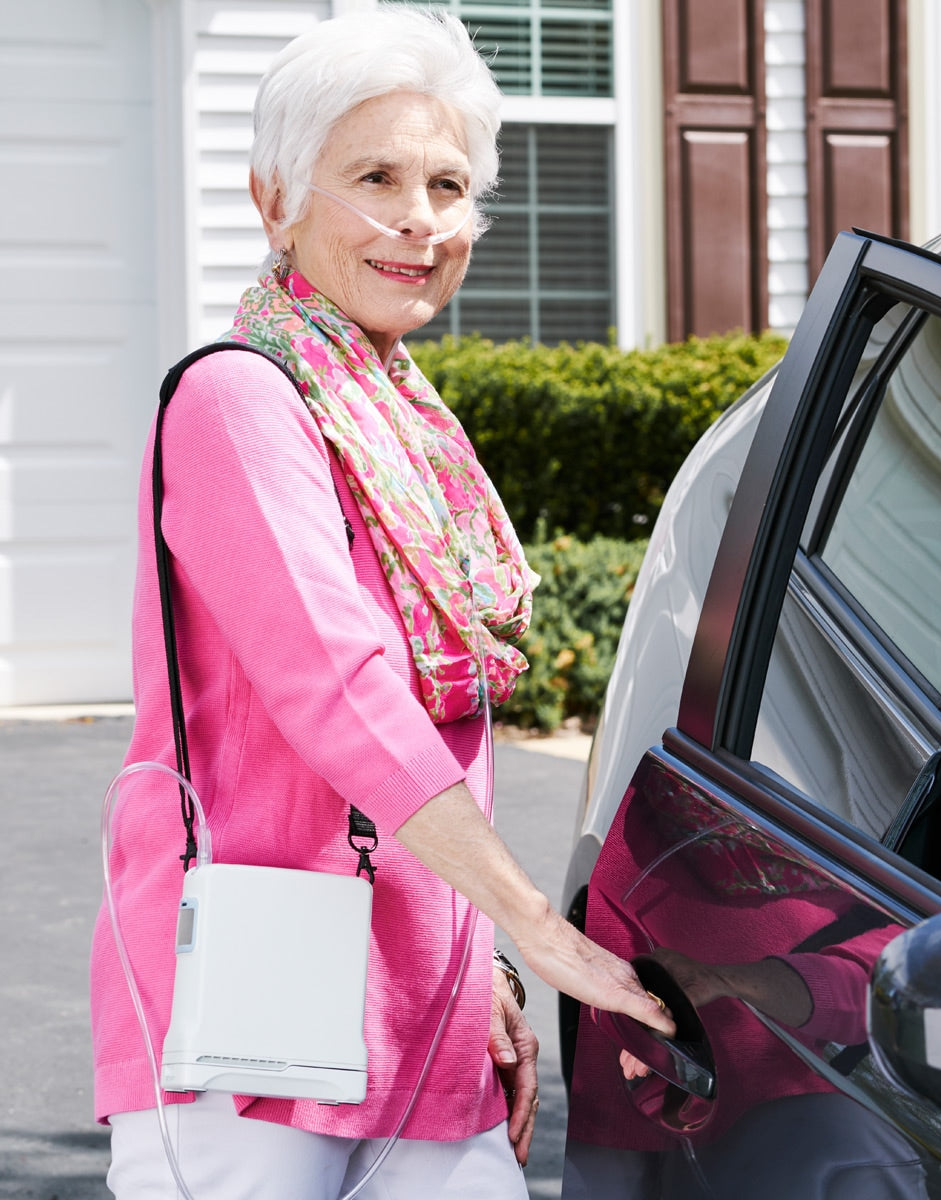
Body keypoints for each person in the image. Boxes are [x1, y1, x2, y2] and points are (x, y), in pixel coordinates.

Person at [89, 9, 672, 1198]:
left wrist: (490, 970)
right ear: (276, 202)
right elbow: (340, 694)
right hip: (249, 1014)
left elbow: (445, 733)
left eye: (449, 184)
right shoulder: (239, 404)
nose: (422, 217)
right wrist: (546, 932)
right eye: (377, 178)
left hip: (424, 1011)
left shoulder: (409, 433)